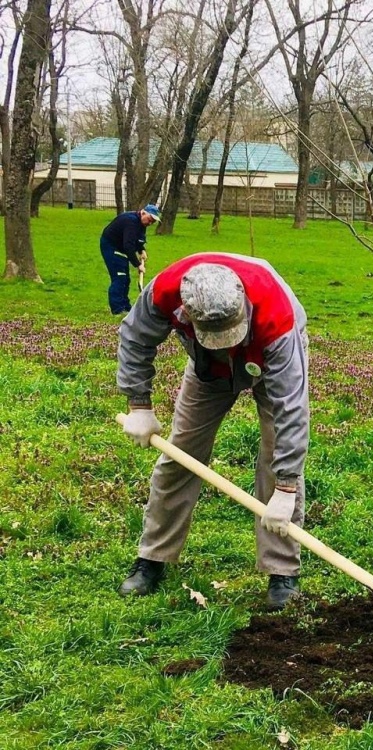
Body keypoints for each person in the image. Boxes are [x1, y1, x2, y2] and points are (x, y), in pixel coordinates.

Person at [116, 252, 310, 610]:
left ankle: (282, 571)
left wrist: (285, 486)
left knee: (275, 458)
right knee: (180, 455)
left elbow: (292, 407)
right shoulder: (167, 291)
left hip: (268, 361)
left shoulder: (277, 317)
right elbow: (135, 336)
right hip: (208, 368)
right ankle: (153, 558)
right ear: (187, 313)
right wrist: (139, 404)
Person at [100, 204, 161, 314]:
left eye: (153, 222)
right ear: (143, 213)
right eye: (150, 219)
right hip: (111, 246)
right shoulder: (131, 222)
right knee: (119, 278)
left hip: (121, 247)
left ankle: (126, 306)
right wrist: (138, 265)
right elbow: (128, 245)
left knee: (126, 279)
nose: (150, 223)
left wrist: (141, 250)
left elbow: (137, 240)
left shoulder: (142, 224)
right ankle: (117, 309)